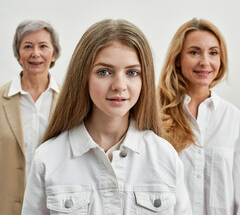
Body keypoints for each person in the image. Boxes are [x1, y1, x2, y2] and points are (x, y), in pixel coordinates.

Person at [21, 19, 192, 214]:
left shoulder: (165, 157)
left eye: (132, 72)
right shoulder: (48, 158)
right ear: (83, 76)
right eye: (104, 72)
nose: (119, 85)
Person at [158, 18, 240, 214]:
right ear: (177, 58)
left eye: (213, 53)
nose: (205, 62)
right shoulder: (155, 113)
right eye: (194, 52)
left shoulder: (233, 118)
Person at [0, 20, 61, 215]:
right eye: (27, 46)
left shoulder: (69, 101)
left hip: (54, 205)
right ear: (18, 55)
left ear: (54, 54)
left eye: (43, 46)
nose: (36, 53)